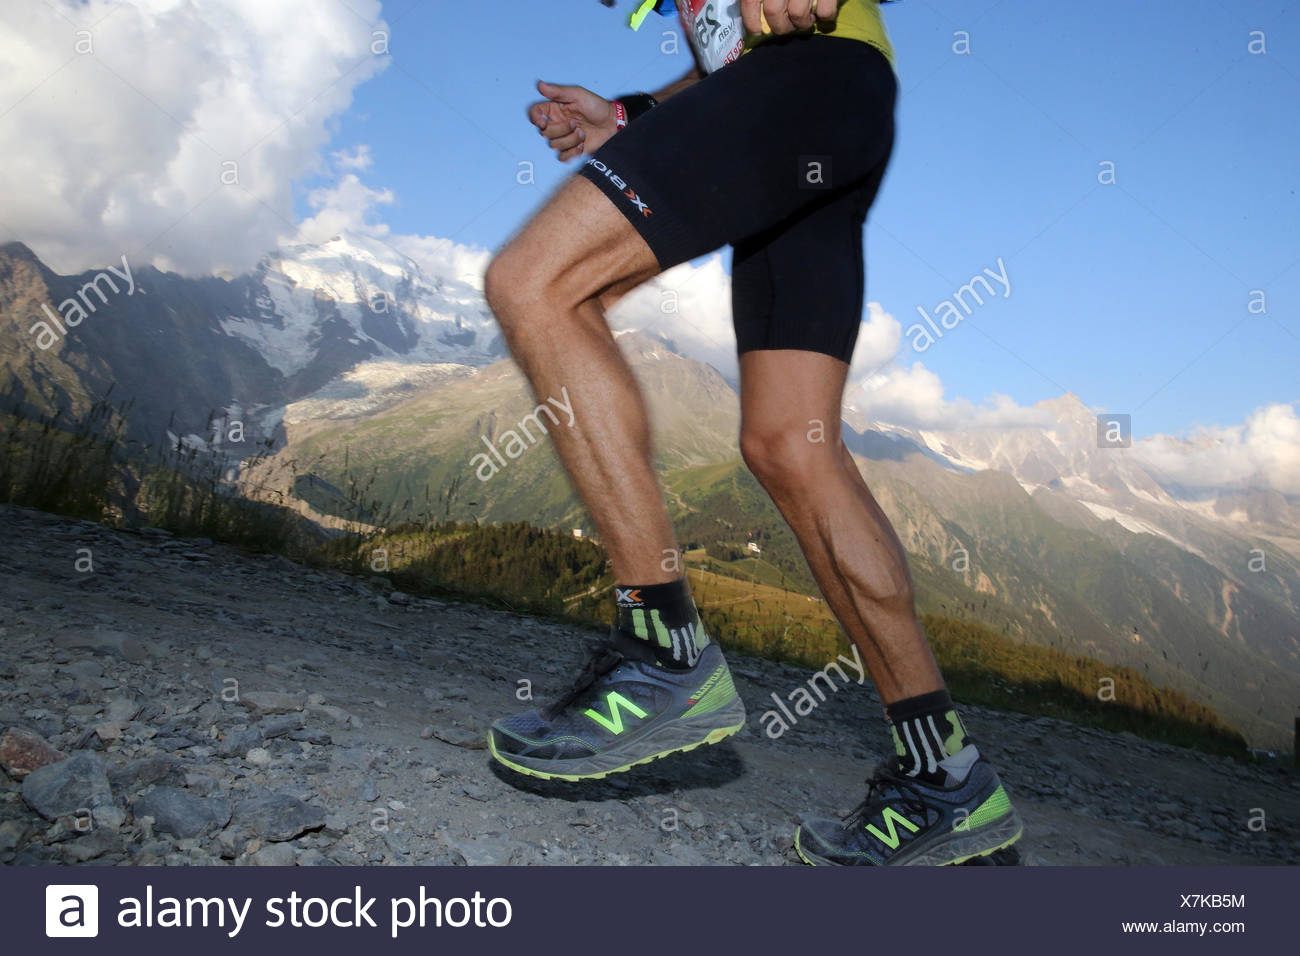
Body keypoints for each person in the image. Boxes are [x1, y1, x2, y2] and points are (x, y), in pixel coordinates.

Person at [483, 0, 1022, 866]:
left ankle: (665, 651)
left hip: (807, 83)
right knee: (791, 446)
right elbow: (730, 51)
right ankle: (946, 776)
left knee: (536, 283)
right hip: (823, 104)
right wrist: (629, 116)